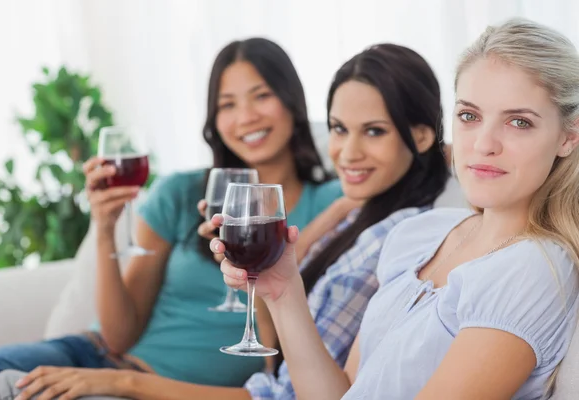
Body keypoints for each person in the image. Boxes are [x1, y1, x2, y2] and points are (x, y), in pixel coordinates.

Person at [0, 43, 450, 399]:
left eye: (260, 95)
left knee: (7, 388)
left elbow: (380, 196)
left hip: (159, 383)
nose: (245, 116)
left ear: (291, 103)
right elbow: (119, 336)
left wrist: (454, 154)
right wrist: (104, 227)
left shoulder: (349, 203)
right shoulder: (185, 193)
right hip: (98, 354)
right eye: (227, 103)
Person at [215, 18, 579, 400]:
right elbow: (345, 394)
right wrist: (284, 290)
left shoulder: (533, 269)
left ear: (569, 137)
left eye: (519, 122)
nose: (484, 144)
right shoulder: (421, 234)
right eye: (469, 116)